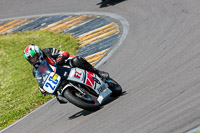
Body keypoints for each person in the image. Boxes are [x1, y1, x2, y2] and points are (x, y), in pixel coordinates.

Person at [24, 44, 109, 103]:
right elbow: (41, 81)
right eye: (31, 59)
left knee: (77, 60)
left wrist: (60, 58)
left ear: (39, 53)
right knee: (56, 92)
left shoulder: (47, 51)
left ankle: (98, 73)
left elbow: (63, 53)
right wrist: (42, 89)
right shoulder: (35, 71)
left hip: (64, 65)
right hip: (57, 78)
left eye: (34, 57)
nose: (33, 60)